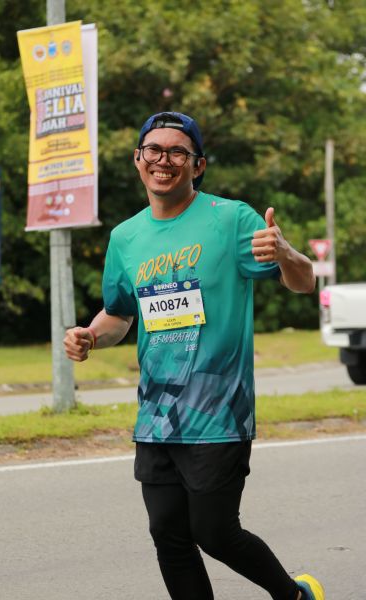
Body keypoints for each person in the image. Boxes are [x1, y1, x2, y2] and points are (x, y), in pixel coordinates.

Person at [63, 112, 324, 600]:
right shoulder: (125, 238)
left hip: (218, 411)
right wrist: (91, 336)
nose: (163, 160)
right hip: (157, 415)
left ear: (198, 165)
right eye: (154, 149)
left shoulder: (232, 219)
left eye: (178, 152)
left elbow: (304, 282)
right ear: (137, 159)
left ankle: (294, 595)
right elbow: (119, 314)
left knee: (214, 531)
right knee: (168, 533)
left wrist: (286, 253)